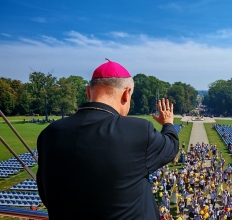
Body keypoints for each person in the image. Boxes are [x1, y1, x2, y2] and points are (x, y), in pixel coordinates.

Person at [36, 59, 179, 219]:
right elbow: (170, 147)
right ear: (126, 94)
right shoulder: (138, 130)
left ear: (88, 92)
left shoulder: (49, 133)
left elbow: (45, 192)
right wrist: (167, 122)